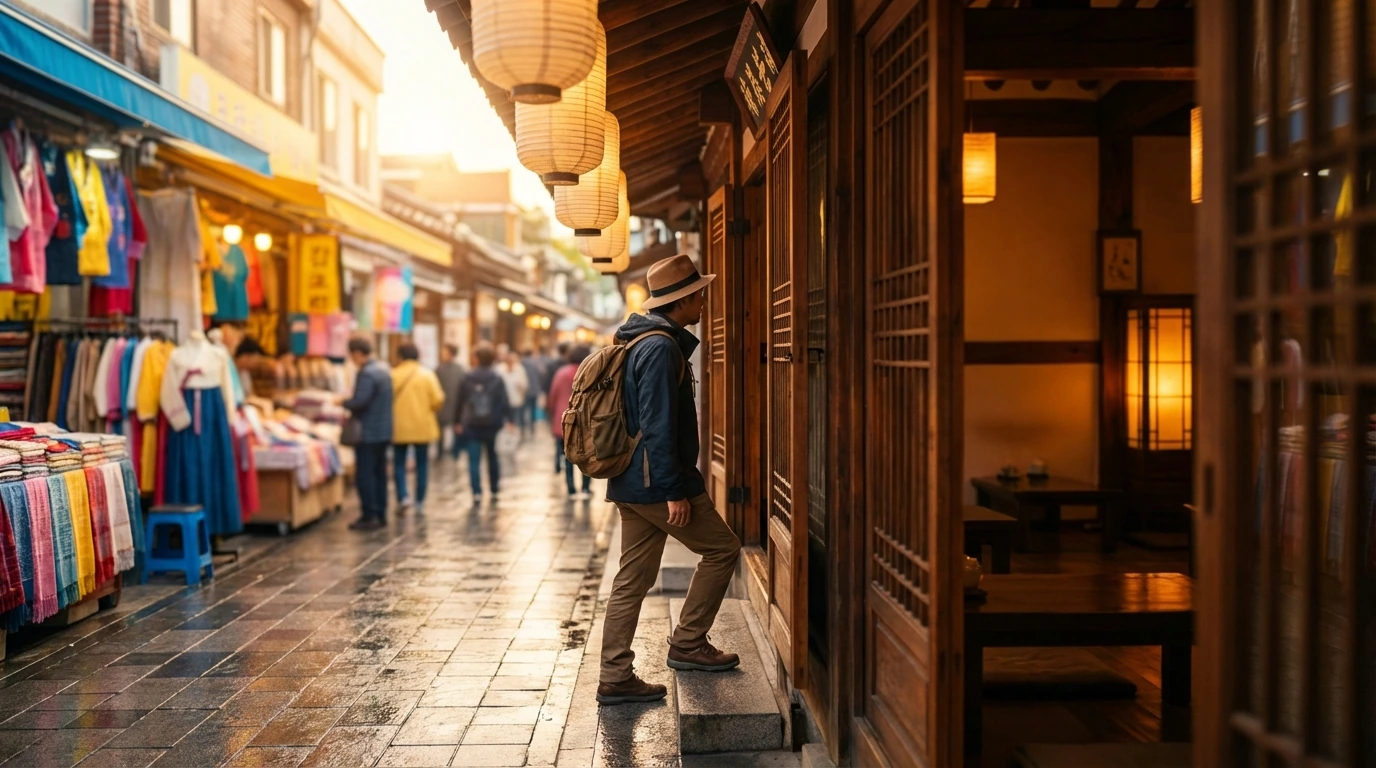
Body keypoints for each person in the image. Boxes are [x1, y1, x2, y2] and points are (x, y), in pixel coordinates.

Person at [597, 254, 742, 706]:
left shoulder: (640, 340)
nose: (703, 301)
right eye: (698, 294)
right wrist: (674, 490)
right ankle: (688, 642)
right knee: (723, 549)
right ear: (682, 300)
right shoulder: (660, 347)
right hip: (656, 481)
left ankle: (615, 674)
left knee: (632, 580)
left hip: (631, 481)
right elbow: (658, 425)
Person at [341, 338, 393, 531]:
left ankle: (369, 515)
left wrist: (343, 401)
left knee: (365, 475)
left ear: (357, 353)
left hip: (368, 432)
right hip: (383, 431)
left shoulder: (367, 373)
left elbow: (360, 401)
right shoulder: (383, 370)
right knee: (379, 473)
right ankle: (380, 513)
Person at [390, 342, 445, 514]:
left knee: (399, 463)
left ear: (400, 356)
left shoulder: (393, 375)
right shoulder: (427, 375)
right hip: (422, 426)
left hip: (399, 427)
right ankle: (420, 501)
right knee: (422, 464)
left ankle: (403, 497)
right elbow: (438, 399)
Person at [455, 344, 511, 502]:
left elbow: (460, 401)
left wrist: (457, 421)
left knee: (474, 459)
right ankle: (494, 487)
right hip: (492, 422)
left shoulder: (468, 377)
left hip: (472, 423)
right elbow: (503, 400)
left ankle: (476, 491)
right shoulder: (496, 377)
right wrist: (510, 419)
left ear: (476, 358)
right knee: (492, 455)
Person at [548, 344, 592, 498]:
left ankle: (571, 487)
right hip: (586, 421)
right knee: (586, 455)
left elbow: (553, 396)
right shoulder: (590, 372)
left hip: (564, 420)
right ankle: (586, 487)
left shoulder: (561, 373)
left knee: (567, 455)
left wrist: (551, 413)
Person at [435, 343, 468, 461]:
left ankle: (452, 451)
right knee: (446, 429)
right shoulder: (444, 368)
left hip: (451, 404)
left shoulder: (444, 368)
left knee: (452, 428)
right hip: (447, 404)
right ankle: (451, 452)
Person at [498, 350, 530, 438]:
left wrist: (520, 387)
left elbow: (525, 385)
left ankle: (516, 438)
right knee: (506, 423)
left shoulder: (519, 369)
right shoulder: (500, 369)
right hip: (504, 401)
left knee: (517, 421)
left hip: (516, 400)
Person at [519, 348, 544, 437]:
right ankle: (532, 427)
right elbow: (542, 372)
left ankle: (523, 427)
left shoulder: (520, 363)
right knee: (533, 408)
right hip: (534, 389)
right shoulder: (535, 363)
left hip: (524, 390)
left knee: (524, 409)